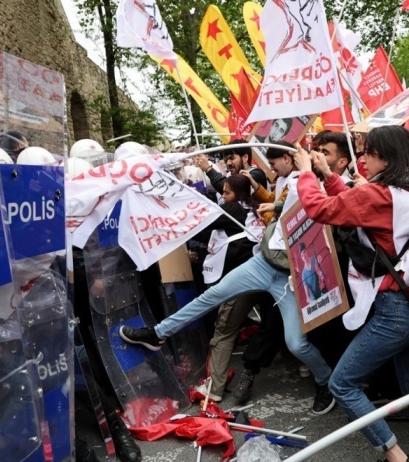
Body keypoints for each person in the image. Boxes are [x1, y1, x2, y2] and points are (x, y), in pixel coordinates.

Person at [119, 142, 336, 415]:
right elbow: (285, 199)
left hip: (289, 278)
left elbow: (309, 200)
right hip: (263, 262)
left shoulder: (315, 188)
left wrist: (306, 172)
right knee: (212, 296)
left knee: (296, 343)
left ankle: (326, 380)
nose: (271, 165)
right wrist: (272, 203)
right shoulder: (286, 183)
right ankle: (157, 334)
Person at [295, 126, 409, 462]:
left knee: (342, 384)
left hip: (395, 310)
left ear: (385, 157)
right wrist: (328, 175)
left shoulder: (381, 194)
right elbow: (360, 208)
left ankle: (397, 459)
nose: (363, 159)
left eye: (367, 152)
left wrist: (307, 175)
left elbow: (320, 209)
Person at [191, 174, 264, 402]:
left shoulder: (233, 209)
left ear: (239, 195)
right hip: (265, 276)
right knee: (281, 329)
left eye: (227, 192)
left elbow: (203, 224)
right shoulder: (256, 210)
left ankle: (214, 389)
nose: (223, 197)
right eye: (222, 192)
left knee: (223, 333)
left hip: (242, 282)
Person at [196, 140, 268, 194]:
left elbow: (230, 189)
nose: (228, 163)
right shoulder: (229, 175)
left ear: (245, 157)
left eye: (232, 158)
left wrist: (208, 169)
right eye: (226, 159)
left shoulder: (257, 174)